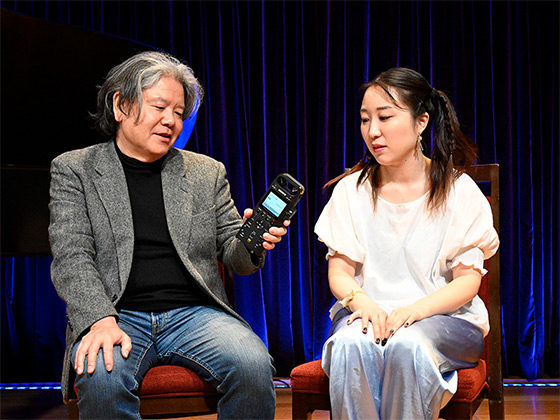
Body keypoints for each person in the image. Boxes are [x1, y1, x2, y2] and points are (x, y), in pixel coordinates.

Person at [48, 51, 289, 419]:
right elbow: (72, 256)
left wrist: (252, 241)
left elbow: (235, 258)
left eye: (179, 113)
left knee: (253, 364)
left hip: (195, 314)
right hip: (116, 313)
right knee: (103, 380)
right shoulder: (75, 169)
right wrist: (99, 319)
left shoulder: (205, 172)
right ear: (121, 105)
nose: (171, 121)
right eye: (160, 107)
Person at [315, 68, 499, 419]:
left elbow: (467, 282)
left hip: (445, 320)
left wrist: (416, 311)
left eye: (385, 117)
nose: (373, 131)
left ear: (421, 122)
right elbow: (339, 273)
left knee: (406, 345)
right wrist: (362, 302)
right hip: (370, 314)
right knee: (350, 344)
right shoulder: (351, 191)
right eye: (365, 119)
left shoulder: (458, 190)